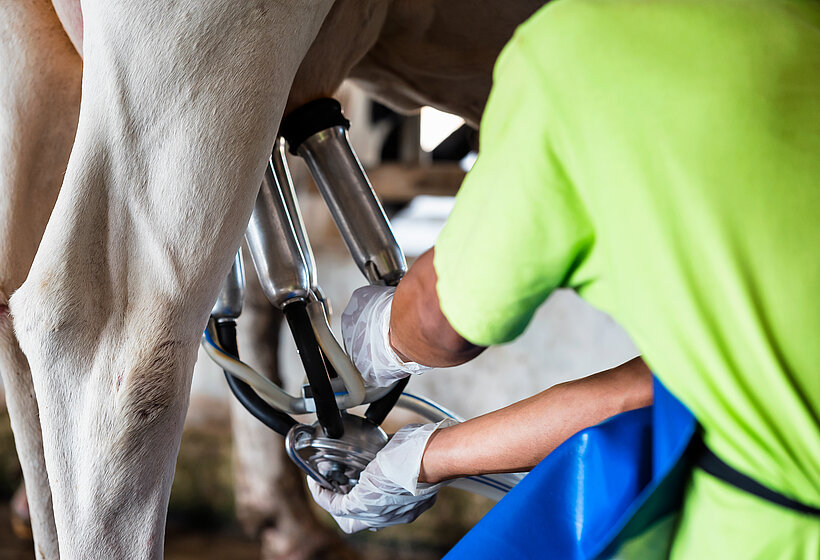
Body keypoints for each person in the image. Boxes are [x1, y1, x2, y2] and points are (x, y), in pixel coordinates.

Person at [309, 0, 820, 557]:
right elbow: (668, 385)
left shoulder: (579, 47)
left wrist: (383, 339)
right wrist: (429, 457)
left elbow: (439, 321)